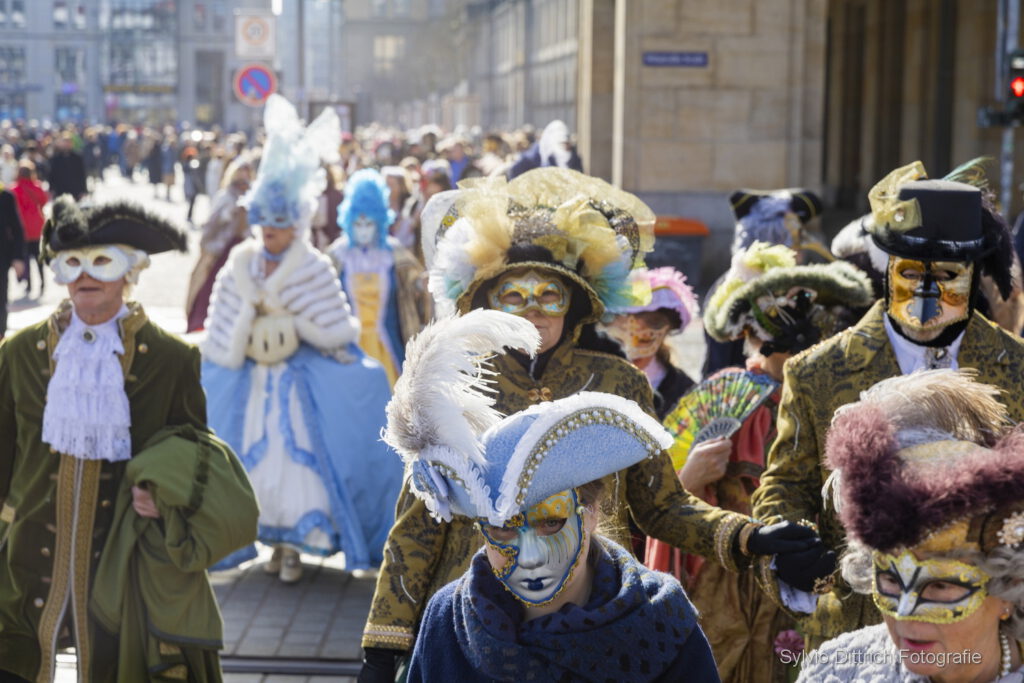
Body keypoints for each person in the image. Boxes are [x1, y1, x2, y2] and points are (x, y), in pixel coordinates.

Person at [359, 167, 823, 680]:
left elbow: (662, 505)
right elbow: (418, 527)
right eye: (514, 297)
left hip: (600, 619)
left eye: (549, 296)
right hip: (480, 623)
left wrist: (749, 539)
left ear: (575, 303)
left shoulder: (618, 382)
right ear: (487, 303)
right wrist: (384, 646)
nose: (533, 312)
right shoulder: (457, 387)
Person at [751, 160, 1024, 650]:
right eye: (910, 273)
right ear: (886, 271)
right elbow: (786, 483)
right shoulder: (816, 371)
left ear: (974, 275)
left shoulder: (1017, 367)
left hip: (980, 622)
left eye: (946, 275)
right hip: (857, 616)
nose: (927, 291)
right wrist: (790, 540)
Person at [0, 196, 258, 682]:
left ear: (130, 272)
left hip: (123, 558)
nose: (84, 277)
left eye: (101, 262)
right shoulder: (19, 353)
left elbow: (191, 444)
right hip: (27, 555)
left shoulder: (171, 357)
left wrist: (163, 490)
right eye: (71, 264)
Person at [383, 310, 719, 682]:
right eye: (504, 529)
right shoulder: (448, 620)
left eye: (550, 522)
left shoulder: (660, 620)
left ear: (591, 511)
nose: (529, 557)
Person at [647, 242, 873, 682]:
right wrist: (691, 478)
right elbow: (669, 507)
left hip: (808, 573)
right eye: (782, 340)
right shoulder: (730, 394)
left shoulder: (837, 402)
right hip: (725, 574)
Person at [201, 94, 401, 582]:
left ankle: (296, 546)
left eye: (278, 230)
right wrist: (248, 320)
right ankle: (268, 540)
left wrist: (296, 326)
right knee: (253, 461)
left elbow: (332, 324)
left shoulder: (311, 264)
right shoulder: (240, 262)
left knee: (300, 464)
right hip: (252, 382)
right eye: (264, 229)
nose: (269, 237)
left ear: (294, 226)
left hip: (298, 383)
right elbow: (221, 323)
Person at [798, 370, 1024, 682]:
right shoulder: (836, 671)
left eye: (941, 585)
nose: (904, 612)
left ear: (1009, 589)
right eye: (891, 579)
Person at [703, 188, 827, 378]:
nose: (800, 253)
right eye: (796, 243)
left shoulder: (788, 287)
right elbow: (721, 364)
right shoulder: (736, 288)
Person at [328, 168, 431, 386]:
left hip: (390, 346)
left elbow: (416, 295)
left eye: (369, 224)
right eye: (358, 224)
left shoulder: (395, 254)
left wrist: (421, 287)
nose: (364, 230)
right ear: (348, 221)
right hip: (347, 351)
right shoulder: (337, 256)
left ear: (380, 221)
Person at [603, 266, 699, 419]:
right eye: (618, 341)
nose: (629, 351)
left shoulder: (684, 392)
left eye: (644, 340)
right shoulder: (589, 382)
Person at [185, 155, 254, 332]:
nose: (244, 176)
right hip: (220, 250)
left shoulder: (253, 195)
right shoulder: (225, 196)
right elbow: (211, 225)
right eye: (241, 172)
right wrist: (230, 215)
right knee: (209, 287)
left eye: (247, 172)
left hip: (242, 248)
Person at [11, 160, 49, 298]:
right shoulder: (37, 187)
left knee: (25, 258)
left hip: (22, 228)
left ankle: (29, 284)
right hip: (36, 226)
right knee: (38, 256)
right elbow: (44, 200)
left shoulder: (14, 190)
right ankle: (43, 282)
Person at [508, 120, 583, 179]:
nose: (566, 147)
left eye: (567, 143)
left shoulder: (573, 158)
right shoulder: (532, 158)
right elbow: (514, 175)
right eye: (562, 144)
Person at [0, 186, 24, 337]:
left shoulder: (5, 196)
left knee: (1, 299)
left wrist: (18, 257)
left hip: (1, 258)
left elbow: (17, 229)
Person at [47, 133, 87, 200]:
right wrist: (52, 189)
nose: (67, 144)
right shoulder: (56, 158)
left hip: (75, 190)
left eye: (69, 142)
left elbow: (82, 174)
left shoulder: (77, 158)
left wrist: (83, 190)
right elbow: (52, 174)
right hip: (60, 190)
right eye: (65, 142)